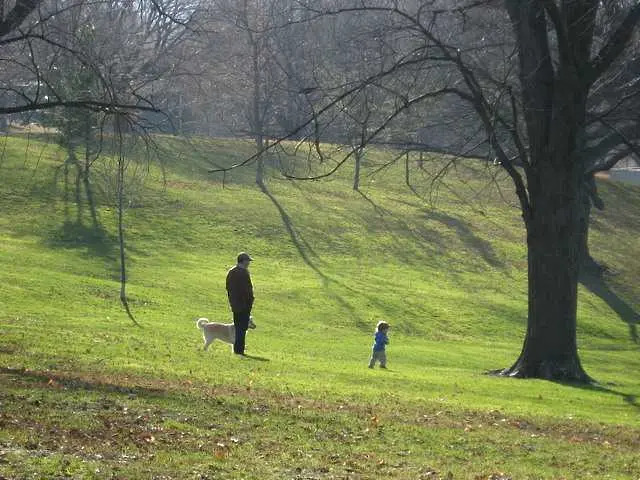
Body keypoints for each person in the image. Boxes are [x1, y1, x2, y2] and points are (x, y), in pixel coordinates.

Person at [226, 252, 254, 356]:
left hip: (236, 304)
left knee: (239, 327)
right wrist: (249, 301)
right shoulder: (243, 273)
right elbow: (246, 290)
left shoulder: (232, 272)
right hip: (243, 305)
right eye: (248, 261)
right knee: (241, 328)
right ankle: (239, 351)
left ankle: (238, 350)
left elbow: (228, 288)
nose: (249, 263)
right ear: (243, 261)